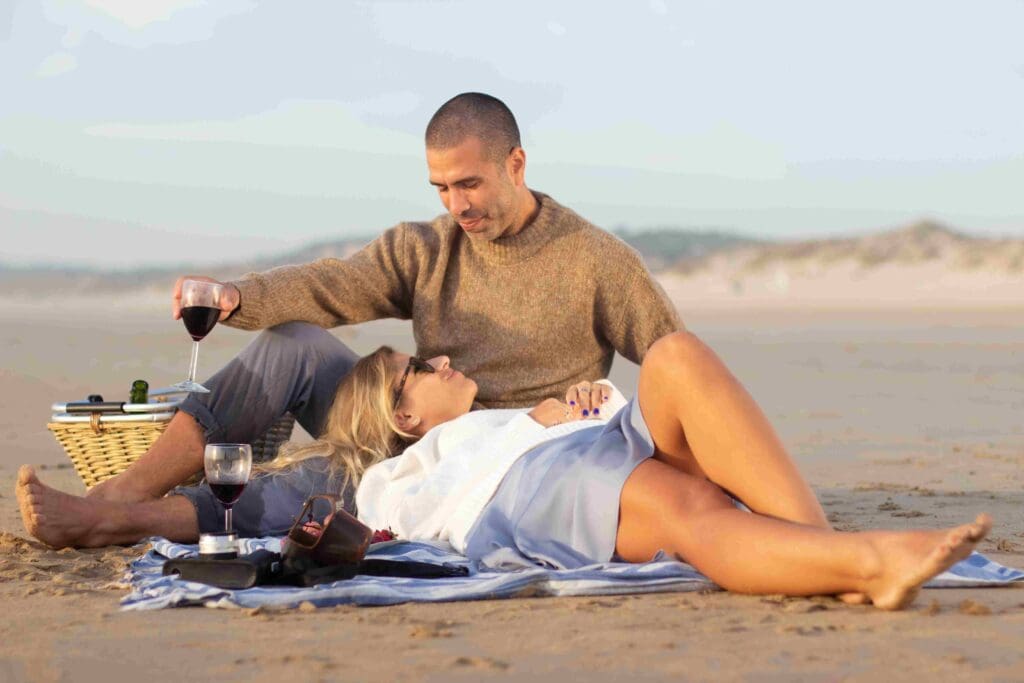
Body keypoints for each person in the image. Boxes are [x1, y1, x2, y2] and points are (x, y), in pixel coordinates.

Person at [18, 332, 991, 611]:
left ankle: (818, 547)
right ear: (401, 414)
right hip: (527, 493)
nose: (440, 361)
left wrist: (565, 405)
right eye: (421, 369)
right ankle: (863, 564)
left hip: (579, 448)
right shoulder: (381, 481)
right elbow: (224, 515)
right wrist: (116, 516)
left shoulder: (486, 420)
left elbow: (600, 396)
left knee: (679, 358)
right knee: (684, 506)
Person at [88, 91, 680, 504]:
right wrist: (238, 295)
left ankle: (196, 511)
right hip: (411, 424)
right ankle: (128, 492)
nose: (456, 206)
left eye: (469, 183)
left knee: (324, 482)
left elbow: (675, 366)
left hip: (509, 460)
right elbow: (333, 285)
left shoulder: (596, 261)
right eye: (442, 188)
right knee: (294, 344)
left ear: (516, 164)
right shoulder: (426, 248)